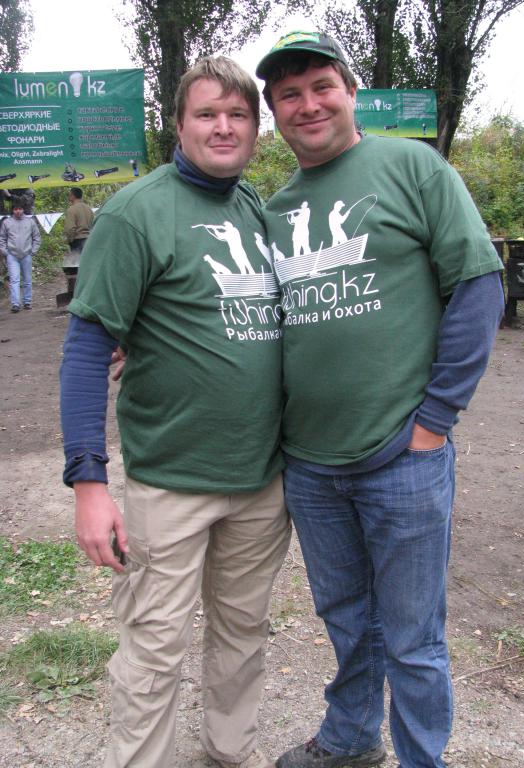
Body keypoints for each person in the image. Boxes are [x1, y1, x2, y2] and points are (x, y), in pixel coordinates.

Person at [256, 31, 505, 768]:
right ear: (275, 112)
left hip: (403, 455)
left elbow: (478, 285)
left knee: (413, 635)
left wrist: (436, 420)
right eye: (289, 95)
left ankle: (422, 758)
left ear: (351, 92)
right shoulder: (274, 210)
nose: (308, 105)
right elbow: (240, 320)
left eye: (321, 86)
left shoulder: (412, 167)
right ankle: (352, 737)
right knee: (345, 619)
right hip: (310, 464)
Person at [60, 56, 290, 768]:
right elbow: (86, 348)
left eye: (238, 114)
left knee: (243, 633)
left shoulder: (254, 208)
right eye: (206, 113)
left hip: (260, 478)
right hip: (170, 480)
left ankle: (231, 750)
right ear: (178, 124)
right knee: (155, 647)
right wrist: (89, 483)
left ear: (255, 129)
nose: (223, 127)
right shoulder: (135, 212)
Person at [0, 199, 41, 312]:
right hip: (12, 255)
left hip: (27, 254)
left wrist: (33, 251)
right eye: (15, 209)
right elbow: (2, 238)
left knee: (27, 279)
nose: (18, 211)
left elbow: (37, 237)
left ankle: (27, 302)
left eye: (20, 209)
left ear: (23, 210)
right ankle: (15, 304)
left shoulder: (30, 222)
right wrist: (5, 252)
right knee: (14, 280)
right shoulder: (7, 222)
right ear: (12, 210)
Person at [63, 187, 94, 253]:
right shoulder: (89, 209)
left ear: (72, 196)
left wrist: (70, 240)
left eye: (69, 195)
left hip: (77, 241)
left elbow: (70, 228)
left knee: (77, 259)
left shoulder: (71, 210)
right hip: (89, 240)